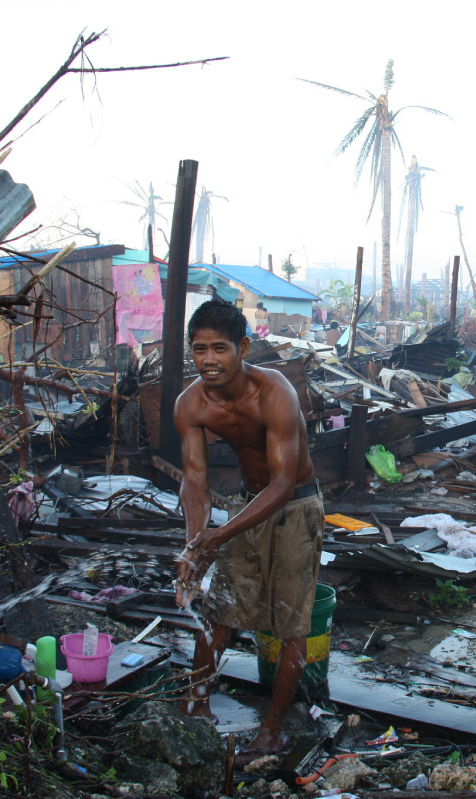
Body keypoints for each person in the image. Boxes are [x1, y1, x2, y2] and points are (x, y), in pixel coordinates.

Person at [173, 299, 323, 758]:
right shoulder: (190, 404)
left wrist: (219, 535)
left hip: (296, 506)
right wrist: (194, 545)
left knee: (290, 623)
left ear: (242, 347)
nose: (209, 360)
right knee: (220, 610)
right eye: (199, 349)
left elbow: (282, 482)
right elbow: (194, 481)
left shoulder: (274, 392)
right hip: (246, 503)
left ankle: (271, 729)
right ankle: (197, 705)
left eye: (219, 348)